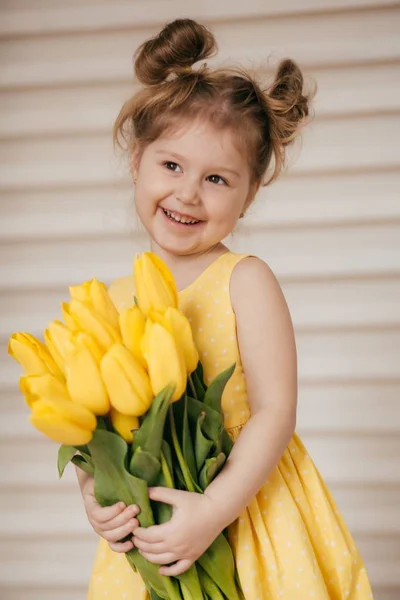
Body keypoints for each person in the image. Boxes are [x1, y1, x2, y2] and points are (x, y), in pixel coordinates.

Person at [78, 18, 373, 599]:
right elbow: (98, 426)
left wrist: (213, 510)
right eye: (172, 166)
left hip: (245, 509)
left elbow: (274, 411)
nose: (188, 193)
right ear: (137, 159)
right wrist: (95, 494)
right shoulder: (110, 299)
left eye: (216, 178)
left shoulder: (245, 280)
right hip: (155, 524)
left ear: (250, 194)